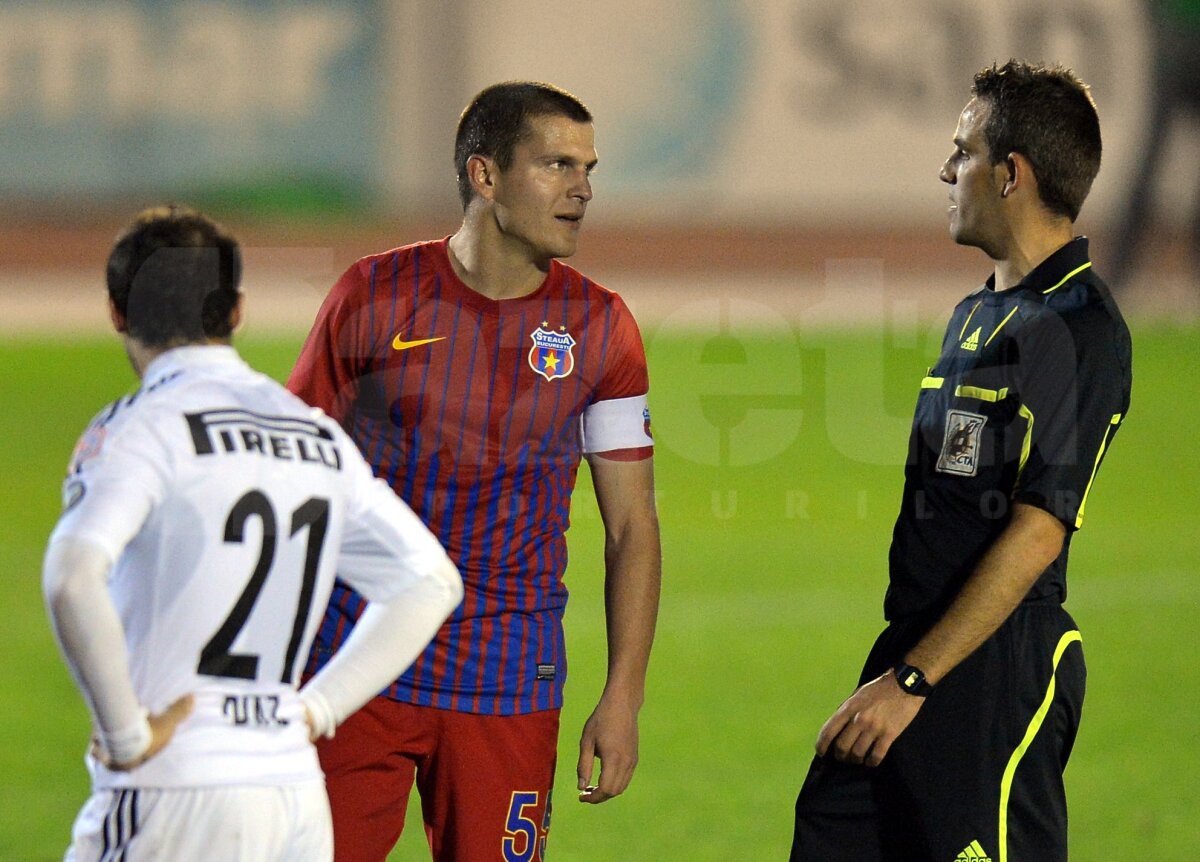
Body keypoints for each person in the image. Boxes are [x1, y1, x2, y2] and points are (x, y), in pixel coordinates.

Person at [287, 81, 661, 862]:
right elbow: (293, 479)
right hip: (359, 665)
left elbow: (631, 526)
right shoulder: (372, 296)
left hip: (508, 679)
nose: (583, 189)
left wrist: (622, 695)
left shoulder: (601, 328)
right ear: (485, 176)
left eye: (589, 168)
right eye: (557, 165)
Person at [43, 205, 463, 862]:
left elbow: (71, 578)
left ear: (117, 313)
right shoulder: (315, 436)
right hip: (292, 790)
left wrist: (125, 736)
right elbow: (430, 581)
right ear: (235, 311)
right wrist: (316, 711)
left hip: (175, 784)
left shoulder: (140, 427)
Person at [790, 61, 1132, 861]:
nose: (947, 171)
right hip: (919, 649)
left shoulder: (1079, 328)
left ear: (1012, 173)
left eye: (963, 150)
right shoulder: (979, 312)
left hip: (992, 671)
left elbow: (1040, 529)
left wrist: (914, 682)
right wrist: (905, 670)